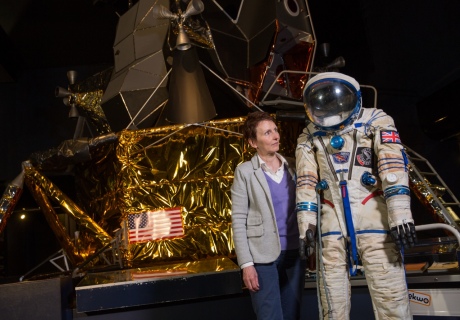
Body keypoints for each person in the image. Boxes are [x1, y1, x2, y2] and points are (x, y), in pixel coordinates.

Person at [295, 72, 417, 319]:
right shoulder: (309, 135)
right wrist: (305, 224)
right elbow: (306, 181)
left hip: (373, 215)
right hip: (331, 220)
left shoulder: (376, 120)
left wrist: (400, 213)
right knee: (332, 302)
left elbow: (391, 166)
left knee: (390, 297)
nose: (330, 104)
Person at [231, 111, 306, 320]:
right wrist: (246, 265)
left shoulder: (294, 166)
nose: (275, 136)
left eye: (275, 130)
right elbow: (238, 220)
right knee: (269, 316)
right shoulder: (245, 172)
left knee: (292, 315)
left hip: (294, 253)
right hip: (262, 256)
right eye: (267, 133)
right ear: (253, 142)